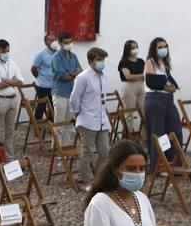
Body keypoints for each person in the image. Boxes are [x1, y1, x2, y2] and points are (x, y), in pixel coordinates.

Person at [69, 47, 112, 187]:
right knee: (87, 151)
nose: (101, 62)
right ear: (90, 61)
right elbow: (74, 98)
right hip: (87, 120)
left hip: (102, 120)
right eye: (98, 60)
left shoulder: (104, 76)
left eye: (103, 60)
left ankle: (98, 179)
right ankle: (85, 180)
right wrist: (77, 113)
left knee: (105, 152)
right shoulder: (82, 77)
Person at [143, 36, 183, 162]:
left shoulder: (165, 64)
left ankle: (174, 163)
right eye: (160, 47)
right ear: (154, 49)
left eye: (165, 46)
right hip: (155, 100)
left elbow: (169, 80)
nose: (163, 49)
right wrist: (166, 87)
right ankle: (159, 164)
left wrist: (174, 86)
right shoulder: (150, 62)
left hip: (168, 100)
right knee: (159, 134)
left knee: (175, 129)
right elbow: (151, 82)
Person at [0, 39, 23, 166]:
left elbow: (21, 82)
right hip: (0, 100)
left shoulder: (13, 63)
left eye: (8, 51)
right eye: (3, 51)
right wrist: (12, 81)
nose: (6, 53)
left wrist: (7, 80)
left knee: (10, 132)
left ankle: (10, 159)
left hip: (13, 99)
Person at [50, 31, 81, 122]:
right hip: (60, 93)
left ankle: (68, 137)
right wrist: (74, 74)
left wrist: (70, 73)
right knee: (60, 122)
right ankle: (56, 137)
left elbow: (81, 72)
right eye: (66, 43)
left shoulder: (74, 56)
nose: (69, 44)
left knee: (70, 122)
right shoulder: (56, 57)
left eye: (70, 42)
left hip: (72, 92)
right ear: (60, 43)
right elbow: (63, 76)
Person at [30, 33, 58, 120]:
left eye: (54, 40)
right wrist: (40, 78)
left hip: (55, 85)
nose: (53, 42)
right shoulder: (41, 54)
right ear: (46, 42)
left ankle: (51, 127)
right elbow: (34, 68)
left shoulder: (58, 53)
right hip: (43, 85)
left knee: (53, 106)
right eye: (50, 40)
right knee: (41, 106)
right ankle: (37, 127)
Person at [117, 40, 145, 112]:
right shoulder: (124, 61)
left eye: (136, 47)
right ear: (127, 49)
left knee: (144, 110)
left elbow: (147, 75)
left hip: (141, 85)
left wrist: (141, 76)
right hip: (129, 87)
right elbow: (128, 77)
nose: (135, 49)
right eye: (133, 48)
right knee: (129, 111)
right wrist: (142, 75)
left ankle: (146, 123)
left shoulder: (141, 61)